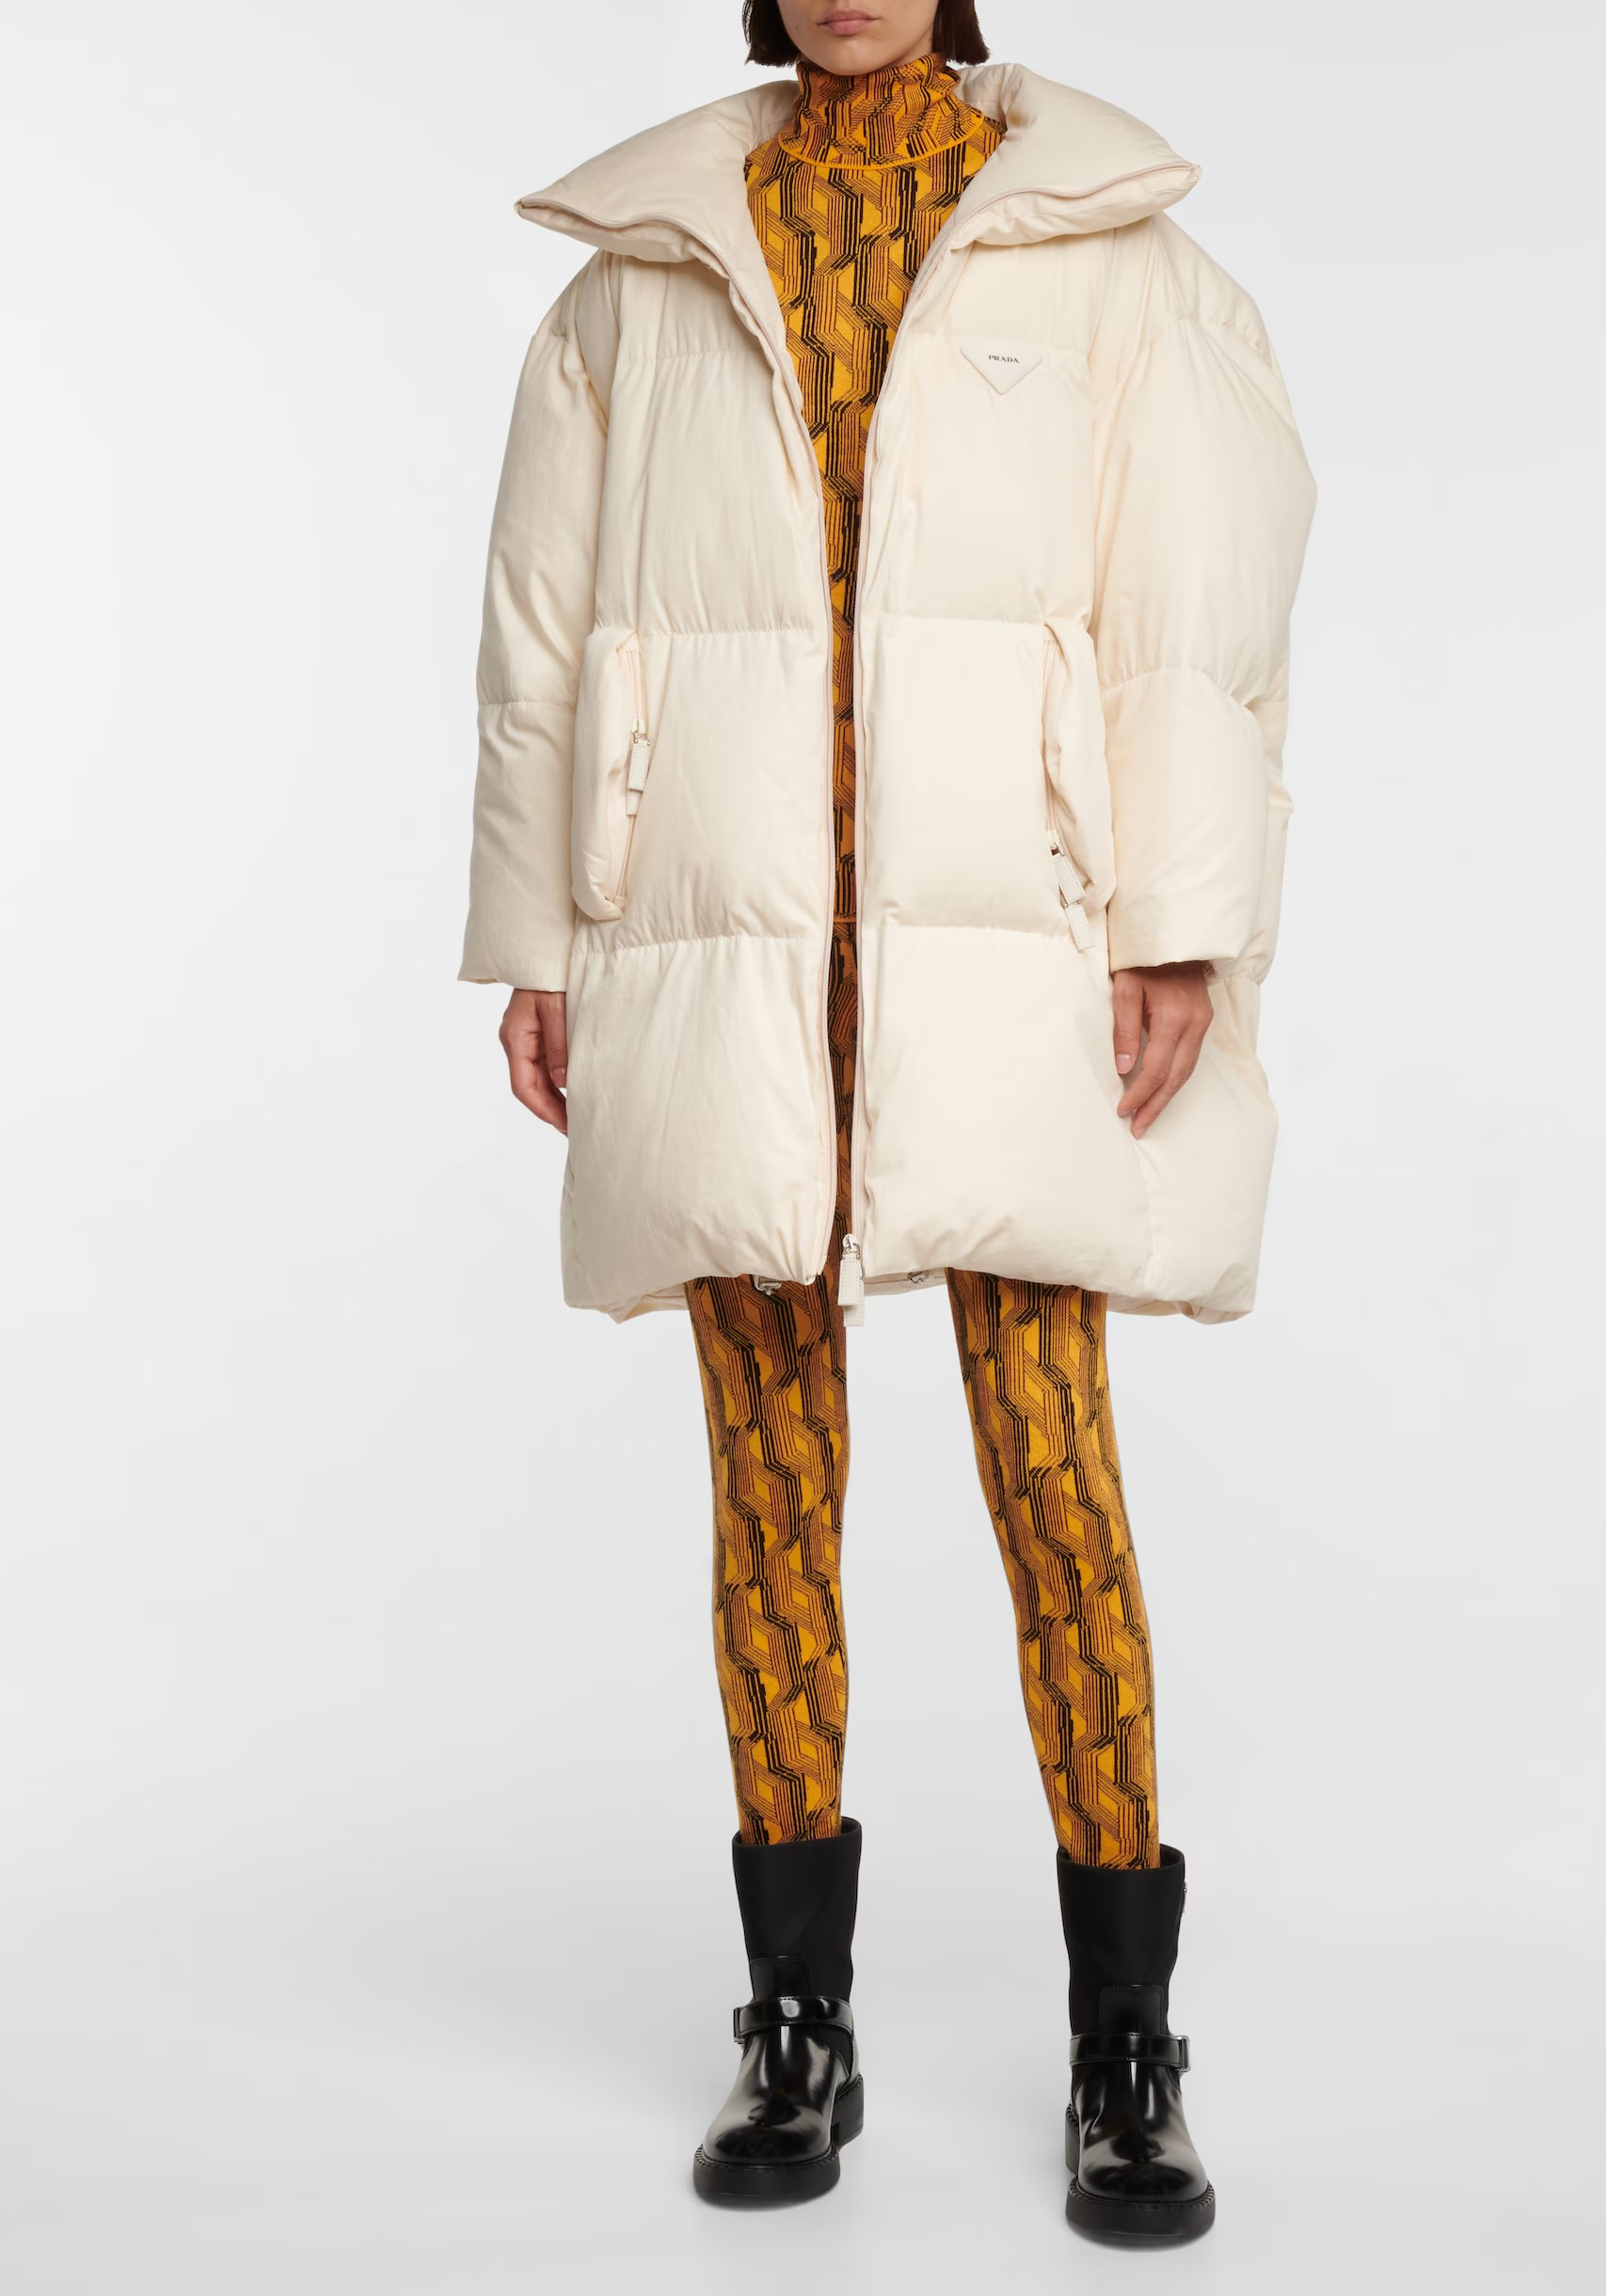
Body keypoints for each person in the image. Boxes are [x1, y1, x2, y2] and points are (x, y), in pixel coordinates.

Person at [460, 0, 1313, 2244]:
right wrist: (540, 933)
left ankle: (1126, 2046)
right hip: (730, 939)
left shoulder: (1105, 244)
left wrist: (1178, 926)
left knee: (1052, 1473)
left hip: (1012, 937)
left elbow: (1193, 610)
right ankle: (795, 2027)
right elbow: (544, 628)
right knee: (769, 1485)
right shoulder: (644, 266)